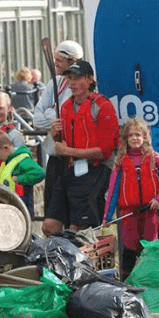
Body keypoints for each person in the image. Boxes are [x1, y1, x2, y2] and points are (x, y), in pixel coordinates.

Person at [43, 60, 120, 235]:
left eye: (77, 78)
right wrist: (55, 134)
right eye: (70, 78)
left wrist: (69, 152)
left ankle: (78, 258)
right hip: (71, 169)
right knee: (49, 226)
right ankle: (59, 257)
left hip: (96, 169)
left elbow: (105, 151)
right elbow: (63, 142)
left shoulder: (102, 106)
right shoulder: (66, 107)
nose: (72, 83)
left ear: (90, 79)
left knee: (76, 229)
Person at [104, 118, 159, 279]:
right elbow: (113, 190)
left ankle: (151, 280)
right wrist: (107, 216)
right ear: (125, 139)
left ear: (145, 137)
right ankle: (127, 281)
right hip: (129, 213)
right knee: (129, 248)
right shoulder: (120, 161)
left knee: (150, 248)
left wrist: (158, 199)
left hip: (150, 211)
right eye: (130, 135)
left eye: (138, 135)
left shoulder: (155, 158)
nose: (135, 138)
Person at [32, 40, 84, 213]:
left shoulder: (81, 86)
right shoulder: (55, 83)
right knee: (51, 214)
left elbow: (69, 118)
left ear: (73, 61)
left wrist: (51, 114)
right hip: (55, 157)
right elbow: (36, 118)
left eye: (59, 61)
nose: (55, 64)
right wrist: (53, 116)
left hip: (73, 158)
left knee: (73, 214)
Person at [0, 130, 45, 217]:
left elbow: (40, 173)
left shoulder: (22, 160)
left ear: (5, 148)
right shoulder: (7, 161)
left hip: (22, 204)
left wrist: (20, 179)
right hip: (10, 204)